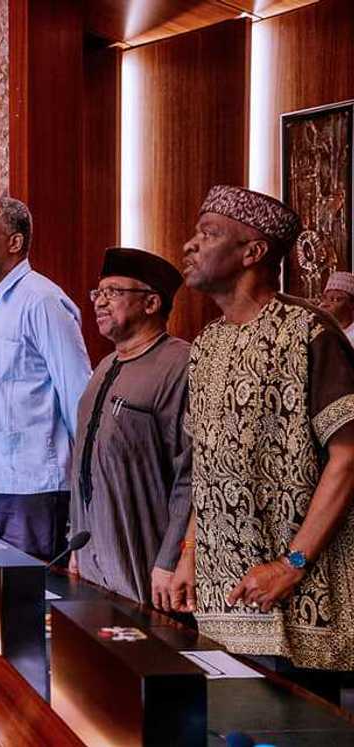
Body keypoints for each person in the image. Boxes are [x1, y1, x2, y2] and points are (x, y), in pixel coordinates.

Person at [170, 185, 354, 680]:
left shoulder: (310, 333)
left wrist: (292, 563)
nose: (190, 245)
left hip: (298, 599)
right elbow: (210, 467)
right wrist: (190, 552)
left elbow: (348, 457)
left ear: (253, 252)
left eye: (208, 234)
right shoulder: (208, 343)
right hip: (221, 596)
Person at [0, 197, 91, 560]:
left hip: (30, 485)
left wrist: (85, 490)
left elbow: (76, 393)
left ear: (15, 243)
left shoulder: (43, 301)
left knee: (27, 601)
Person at [68, 247, 192, 609]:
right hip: (92, 556)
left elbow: (191, 475)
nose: (100, 302)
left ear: (151, 303)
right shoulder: (104, 366)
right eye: (98, 293)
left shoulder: (179, 365)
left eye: (114, 292)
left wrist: (171, 560)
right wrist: (77, 541)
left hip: (146, 560)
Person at [318, 271, 354, 343]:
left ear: (351, 304)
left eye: (336, 299)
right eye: (325, 298)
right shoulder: (320, 331)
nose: (326, 304)